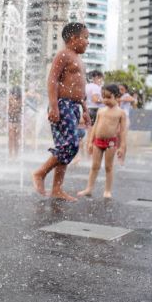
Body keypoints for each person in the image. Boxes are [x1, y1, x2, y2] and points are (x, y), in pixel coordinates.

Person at [32, 22, 91, 200]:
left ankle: (57, 189)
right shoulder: (64, 54)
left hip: (74, 106)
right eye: (85, 38)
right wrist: (54, 105)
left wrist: (85, 110)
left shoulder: (79, 59)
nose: (88, 42)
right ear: (74, 38)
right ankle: (40, 173)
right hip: (62, 104)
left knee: (65, 147)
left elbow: (81, 88)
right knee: (71, 145)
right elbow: (52, 80)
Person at [78, 84, 127, 199]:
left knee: (108, 167)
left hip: (111, 143)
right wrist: (90, 141)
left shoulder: (120, 113)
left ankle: (107, 190)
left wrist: (122, 147)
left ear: (116, 96)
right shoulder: (101, 111)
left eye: (109, 97)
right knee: (95, 166)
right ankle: (89, 188)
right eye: (103, 97)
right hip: (98, 142)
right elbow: (95, 127)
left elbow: (123, 131)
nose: (105, 100)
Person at [8, 86, 23, 159]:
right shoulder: (9, 99)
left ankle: (16, 155)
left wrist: (14, 103)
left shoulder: (21, 100)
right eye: (13, 94)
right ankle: (10, 154)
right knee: (11, 137)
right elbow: (9, 109)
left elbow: (18, 107)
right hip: (10, 121)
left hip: (18, 121)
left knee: (16, 139)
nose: (15, 96)